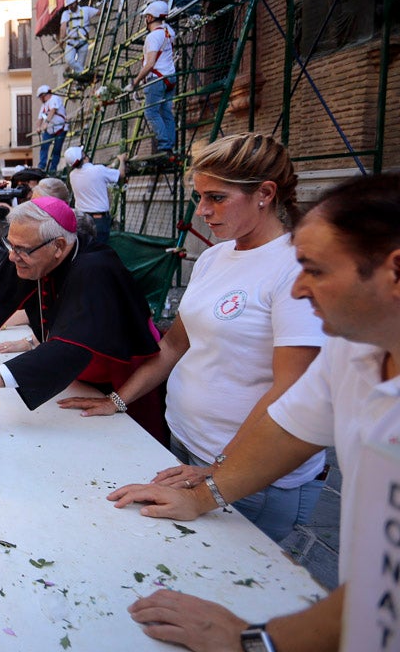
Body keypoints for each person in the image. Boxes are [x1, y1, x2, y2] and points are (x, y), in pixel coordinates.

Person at [108, 172, 400, 651]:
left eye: (316, 270)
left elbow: (383, 598)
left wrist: (252, 642)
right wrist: (204, 495)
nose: (300, 289)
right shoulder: (354, 351)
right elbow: (290, 427)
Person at [63, 134, 326, 542]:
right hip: (186, 449)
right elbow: (174, 346)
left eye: (217, 198)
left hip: (252, 474)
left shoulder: (294, 268)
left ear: (265, 194)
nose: (202, 211)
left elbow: (290, 389)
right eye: (199, 196)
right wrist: (117, 401)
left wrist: (220, 470)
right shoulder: (214, 257)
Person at [0, 197, 162, 430]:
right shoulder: (28, 251)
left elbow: (72, 345)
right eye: (9, 244)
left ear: (58, 246)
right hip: (72, 374)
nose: (12, 256)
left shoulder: (95, 268)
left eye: (21, 249)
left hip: (123, 374)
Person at [129, 0, 177, 154]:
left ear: (150, 18)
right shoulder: (168, 31)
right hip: (170, 77)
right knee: (166, 113)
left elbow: (149, 64)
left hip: (156, 79)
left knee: (151, 113)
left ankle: (164, 145)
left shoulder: (153, 37)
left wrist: (135, 82)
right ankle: (169, 145)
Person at [65, 146, 127, 244]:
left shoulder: (72, 175)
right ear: (85, 157)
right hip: (98, 221)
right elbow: (121, 174)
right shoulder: (98, 170)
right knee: (99, 249)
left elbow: (95, 172)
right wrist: (122, 160)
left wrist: (109, 167)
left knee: (84, 249)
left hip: (81, 218)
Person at [59, 0, 101, 74]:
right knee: (69, 60)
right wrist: (61, 38)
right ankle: (84, 72)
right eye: (69, 5)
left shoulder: (86, 10)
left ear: (76, 2)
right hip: (71, 42)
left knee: (80, 63)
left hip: (83, 41)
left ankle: (80, 79)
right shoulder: (66, 14)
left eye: (72, 4)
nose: (70, 7)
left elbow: (99, 12)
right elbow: (63, 26)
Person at [35, 85, 68, 170]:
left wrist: (46, 123)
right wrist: (38, 127)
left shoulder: (54, 99)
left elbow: (53, 110)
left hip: (60, 128)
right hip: (50, 130)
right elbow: (40, 118)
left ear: (43, 95)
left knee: (56, 150)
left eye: (40, 97)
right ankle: (41, 166)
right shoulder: (44, 106)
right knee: (44, 146)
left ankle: (53, 169)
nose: (40, 99)